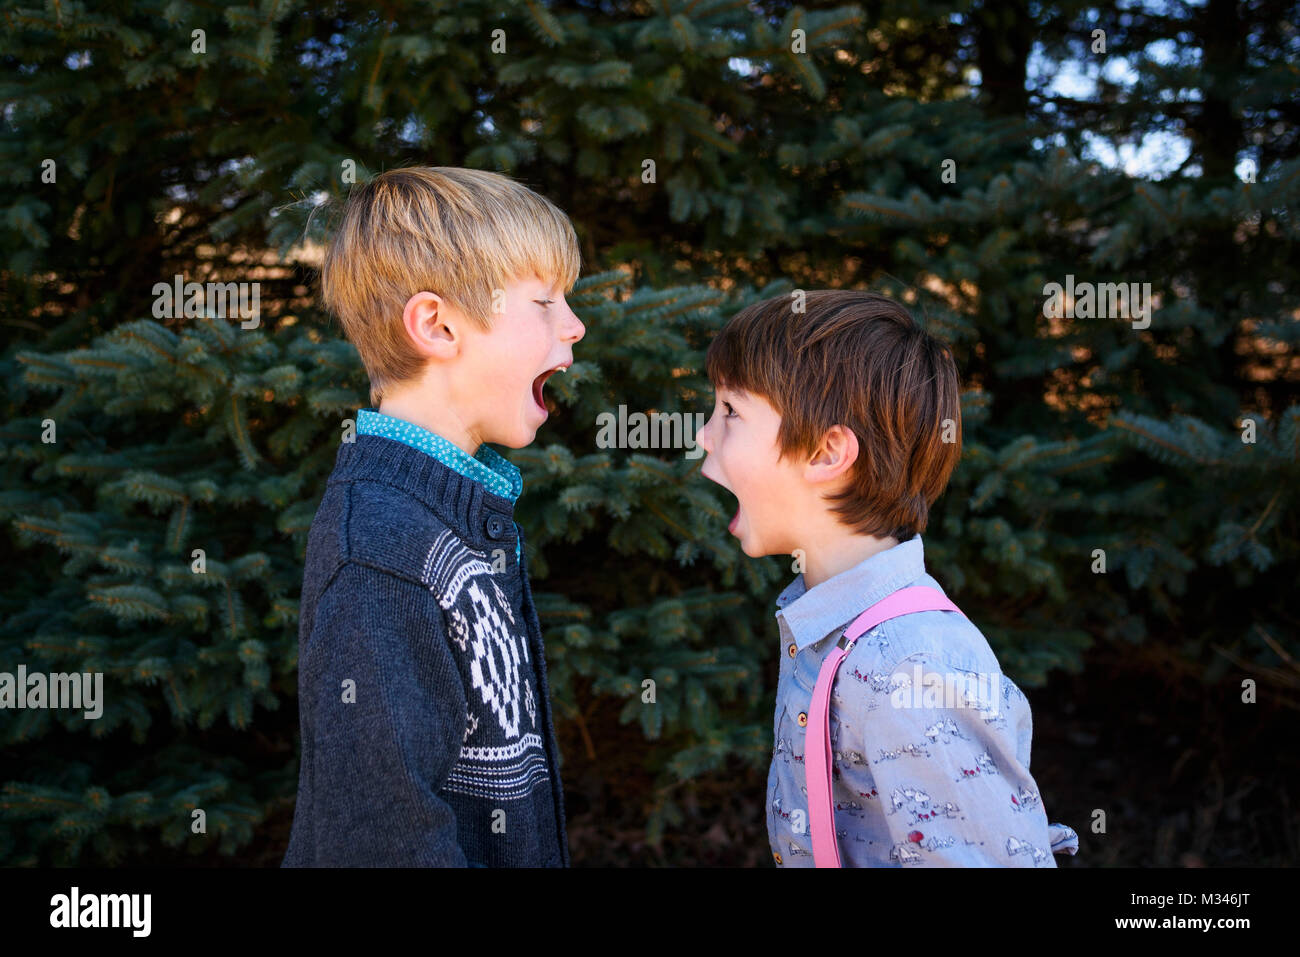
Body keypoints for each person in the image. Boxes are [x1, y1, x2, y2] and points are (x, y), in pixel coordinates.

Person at [696, 289, 1080, 866]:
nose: (704, 434)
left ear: (827, 453)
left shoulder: (912, 665)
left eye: (730, 412)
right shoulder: (827, 620)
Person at [282, 166, 585, 866]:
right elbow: (387, 835)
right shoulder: (382, 549)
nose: (574, 324)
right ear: (437, 325)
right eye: (543, 302)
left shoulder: (452, 511)